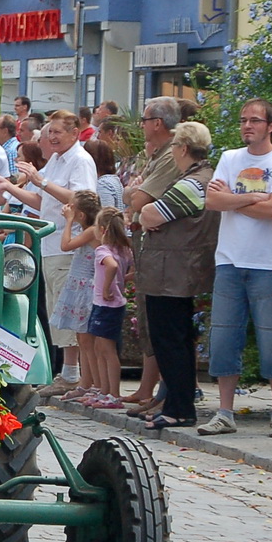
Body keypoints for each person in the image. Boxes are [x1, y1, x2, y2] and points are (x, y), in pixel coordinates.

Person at [199, 98, 272, 438]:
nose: (247, 126)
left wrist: (235, 198)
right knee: (225, 336)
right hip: (229, 258)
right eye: (243, 120)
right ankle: (224, 411)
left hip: (268, 261)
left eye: (255, 121)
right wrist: (254, 198)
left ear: (270, 125)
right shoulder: (230, 158)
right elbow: (213, 201)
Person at [0, 110, 97, 392]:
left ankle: (72, 374)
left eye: (57, 132)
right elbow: (41, 201)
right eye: (49, 131)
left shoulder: (80, 160)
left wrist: (41, 181)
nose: (51, 137)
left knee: (69, 310)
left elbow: (83, 200)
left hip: (70, 244)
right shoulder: (56, 159)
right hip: (50, 243)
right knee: (56, 310)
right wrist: (8, 186)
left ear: (75, 134)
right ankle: (68, 373)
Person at [137, 121, 220, 429]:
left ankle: (180, 408)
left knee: (170, 339)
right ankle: (177, 405)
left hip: (171, 273)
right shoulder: (203, 178)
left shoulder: (192, 182)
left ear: (183, 148)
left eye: (173, 146)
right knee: (177, 339)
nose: (171, 152)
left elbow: (150, 213)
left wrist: (149, 216)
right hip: (173, 271)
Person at [121, 96, 183, 415]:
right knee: (146, 317)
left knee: (158, 319)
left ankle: (162, 392)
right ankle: (148, 387)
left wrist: (134, 192)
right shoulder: (156, 154)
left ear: (157, 123)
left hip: (163, 247)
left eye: (144, 120)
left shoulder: (171, 154)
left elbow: (140, 197)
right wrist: (133, 193)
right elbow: (133, 196)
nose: (141, 126)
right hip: (146, 241)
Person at [47, 190, 102, 403]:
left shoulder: (91, 231)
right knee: (82, 338)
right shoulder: (89, 230)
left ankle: (95, 384)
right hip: (79, 285)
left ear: (80, 215)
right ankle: (86, 382)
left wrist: (68, 222)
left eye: (72, 208)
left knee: (88, 341)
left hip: (86, 288)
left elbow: (65, 245)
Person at [86, 207, 132, 408]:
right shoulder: (125, 250)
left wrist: (107, 287)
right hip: (108, 304)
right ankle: (104, 390)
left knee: (107, 349)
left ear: (103, 229)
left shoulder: (103, 251)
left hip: (106, 304)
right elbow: (131, 269)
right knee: (99, 347)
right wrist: (123, 281)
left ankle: (113, 393)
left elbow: (111, 266)